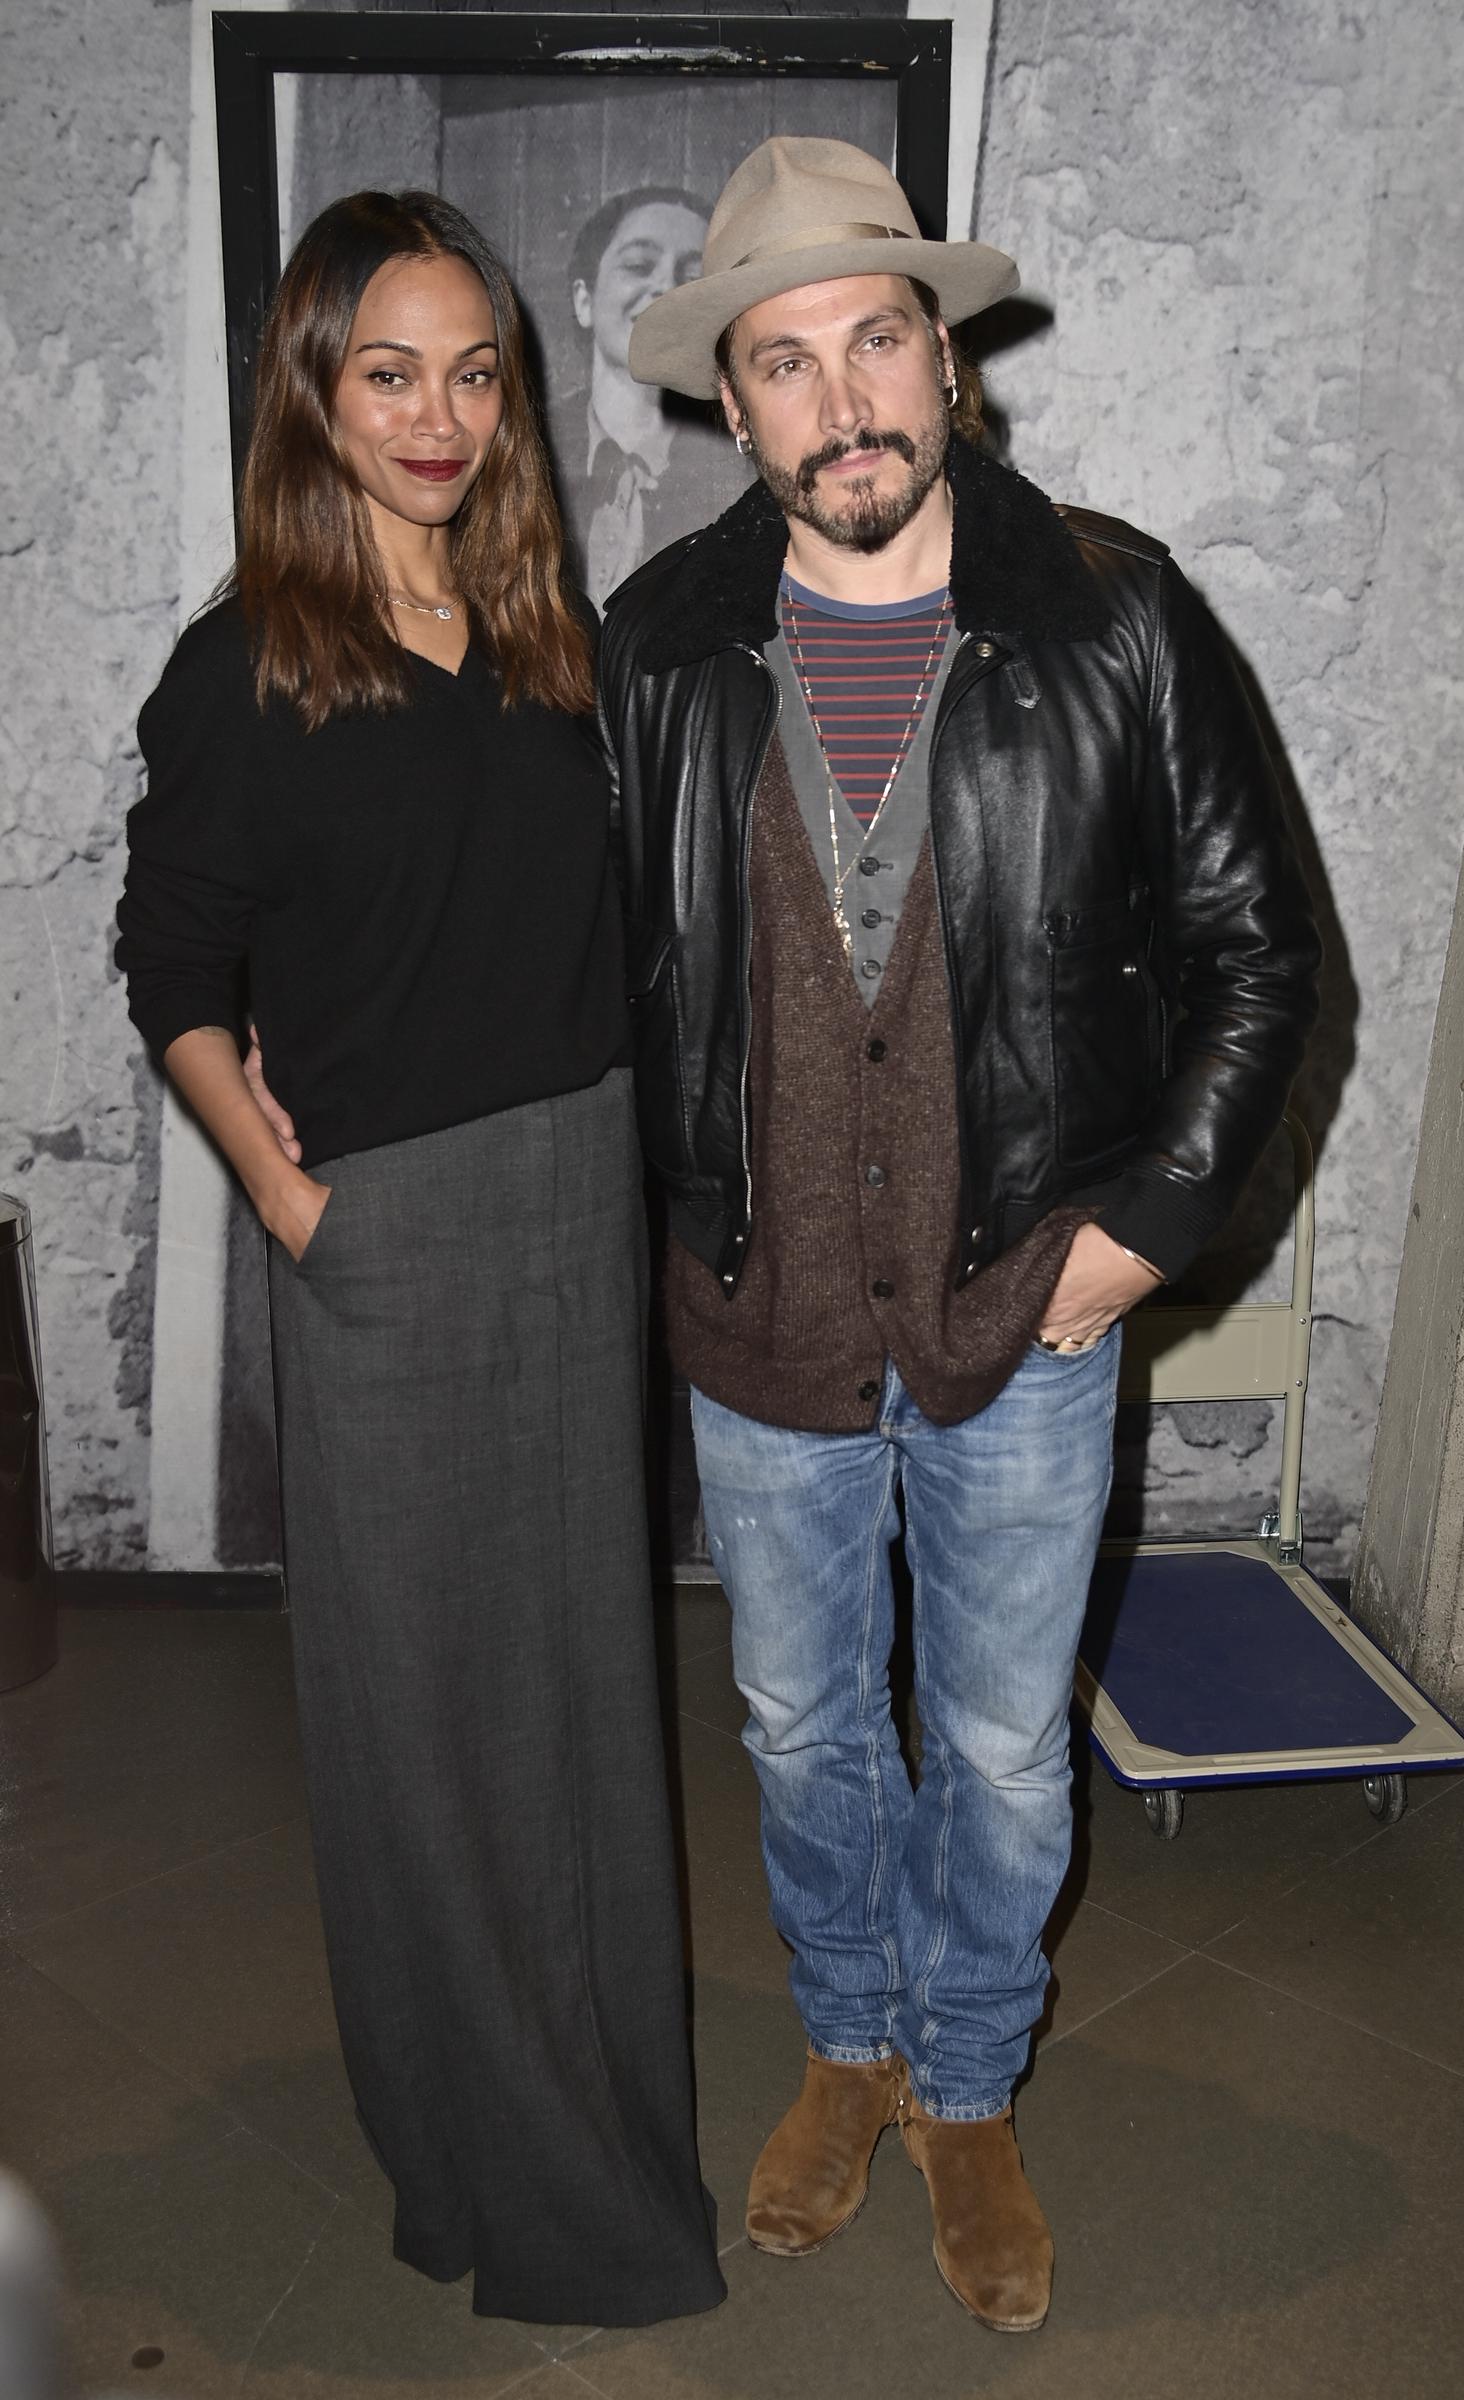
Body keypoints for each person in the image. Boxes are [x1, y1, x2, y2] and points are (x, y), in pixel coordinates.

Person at [598, 136, 1322, 2333]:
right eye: (786, 364)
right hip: (761, 1318)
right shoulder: (657, 649)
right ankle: (850, 2046)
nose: (844, 406)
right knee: (806, 1731)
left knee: (1003, 1746)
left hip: (1034, 1307)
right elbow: (589, 981)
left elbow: (1263, 952)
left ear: (947, 350)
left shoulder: (1116, 609)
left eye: (876, 341)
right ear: (737, 407)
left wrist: (1146, 1227)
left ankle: (972, 2080)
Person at [115, 190, 724, 2330]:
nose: (442, 418)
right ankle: (493, 2173)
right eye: (393, 374)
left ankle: (607, 2123)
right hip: (390, 1239)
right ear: (316, 390)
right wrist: (291, 1201)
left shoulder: (555, 637)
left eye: (477, 374)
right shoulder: (245, 667)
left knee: (584, 1714)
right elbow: (170, 966)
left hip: (582, 1206)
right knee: (425, 1738)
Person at [546, 186, 747, 606]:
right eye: (638, 265)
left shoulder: (745, 466)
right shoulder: (525, 447)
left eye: (691, 277)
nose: (663, 287)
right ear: (584, 301)